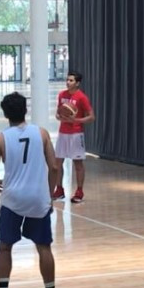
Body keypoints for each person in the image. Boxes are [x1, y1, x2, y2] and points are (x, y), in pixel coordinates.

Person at [0, 92, 67, 288]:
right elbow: (54, 167)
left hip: (12, 199)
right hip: (37, 198)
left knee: (5, 247)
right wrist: (48, 195)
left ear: (5, 114)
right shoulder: (41, 133)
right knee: (44, 248)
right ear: (26, 110)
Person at [51, 71, 94, 203]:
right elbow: (58, 113)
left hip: (76, 134)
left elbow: (92, 117)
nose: (68, 82)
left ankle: (79, 192)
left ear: (77, 83)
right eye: (67, 80)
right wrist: (58, 116)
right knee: (57, 164)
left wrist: (77, 120)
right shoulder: (61, 95)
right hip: (63, 133)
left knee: (78, 164)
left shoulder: (82, 97)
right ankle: (59, 190)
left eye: (71, 80)